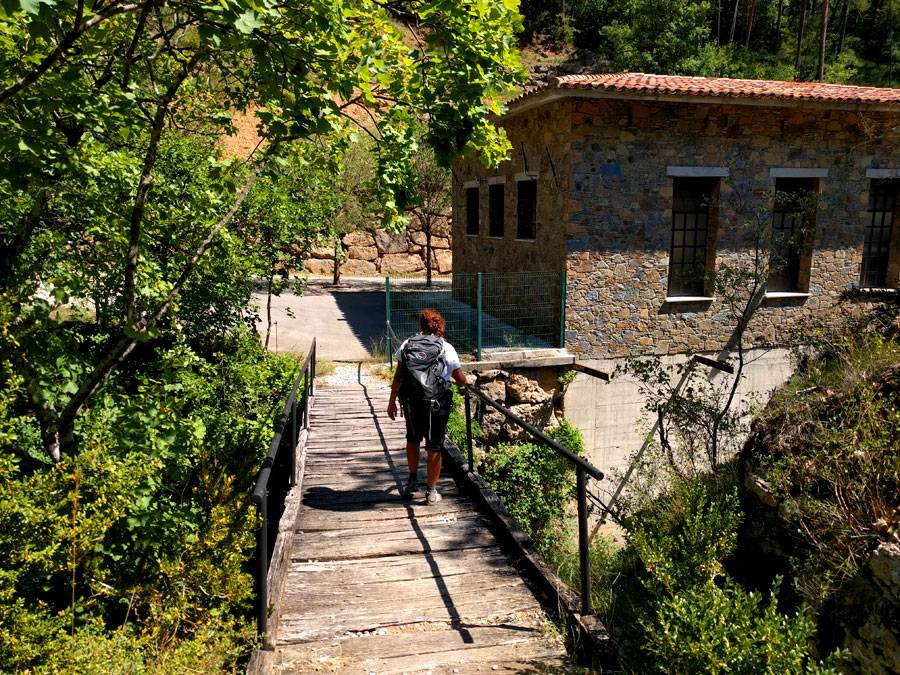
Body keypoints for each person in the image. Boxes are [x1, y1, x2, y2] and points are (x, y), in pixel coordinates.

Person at [387, 309, 469, 504]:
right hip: (436, 403)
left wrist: (391, 402)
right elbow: (459, 378)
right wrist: (466, 383)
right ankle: (431, 492)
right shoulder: (445, 347)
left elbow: (398, 376)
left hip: (411, 400)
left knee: (413, 438)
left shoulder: (408, 344)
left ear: (420, 325)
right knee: (434, 446)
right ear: (439, 325)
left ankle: (413, 480)